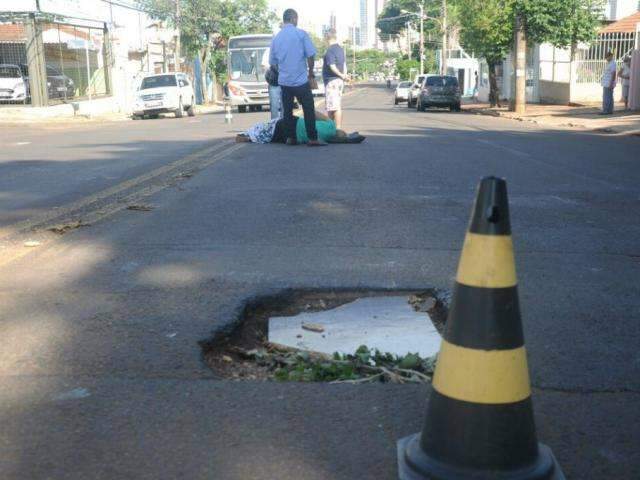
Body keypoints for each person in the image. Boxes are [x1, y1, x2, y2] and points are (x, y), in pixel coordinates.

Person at [269, 9, 324, 146]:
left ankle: (290, 138)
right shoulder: (301, 34)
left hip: (285, 82)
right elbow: (310, 55)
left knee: (287, 110)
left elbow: (273, 62)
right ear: (294, 19)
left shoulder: (276, 38)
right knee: (308, 108)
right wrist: (310, 72)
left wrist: (281, 71)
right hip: (300, 80)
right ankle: (312, 138)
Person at [236, 110, 365, 145]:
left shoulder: (331, 125)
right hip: (291, 136)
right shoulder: (326, 140)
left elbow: (312, 112)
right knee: (270, 136)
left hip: (294, 123)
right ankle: (249, 137)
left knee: (268, 126)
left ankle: (248, 133)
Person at [322, 29, 348, 130]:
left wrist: (341, 75)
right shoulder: (340, 49)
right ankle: (333, 128)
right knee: (333, 106)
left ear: (326, 38)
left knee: (334, 107)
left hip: (332, 81)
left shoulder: (330, 50)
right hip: (339, 81)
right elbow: (344, 65)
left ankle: (336, 129)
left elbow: (332, 66)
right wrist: (344, 76)